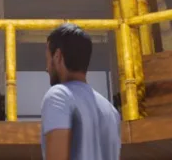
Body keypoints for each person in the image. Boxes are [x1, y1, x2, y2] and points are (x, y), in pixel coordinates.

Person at [40, 23, 121, 160]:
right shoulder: (110, 111)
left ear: (58, 56)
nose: (47, 69)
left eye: (48, 60)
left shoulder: (59, 96)